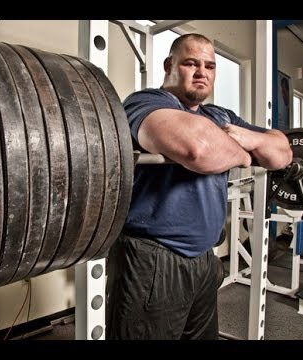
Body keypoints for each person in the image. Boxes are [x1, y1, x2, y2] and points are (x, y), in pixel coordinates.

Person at [105, 33, 293, 340]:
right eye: (191, 63)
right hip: (153, 258)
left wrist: (246, 142)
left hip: (204, 258)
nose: (201, 72)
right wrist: (246, 154)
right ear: (170, 65)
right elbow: (199, 150)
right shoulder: (146, 102)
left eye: (209, 65)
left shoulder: (219, 115)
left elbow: (282, 153)